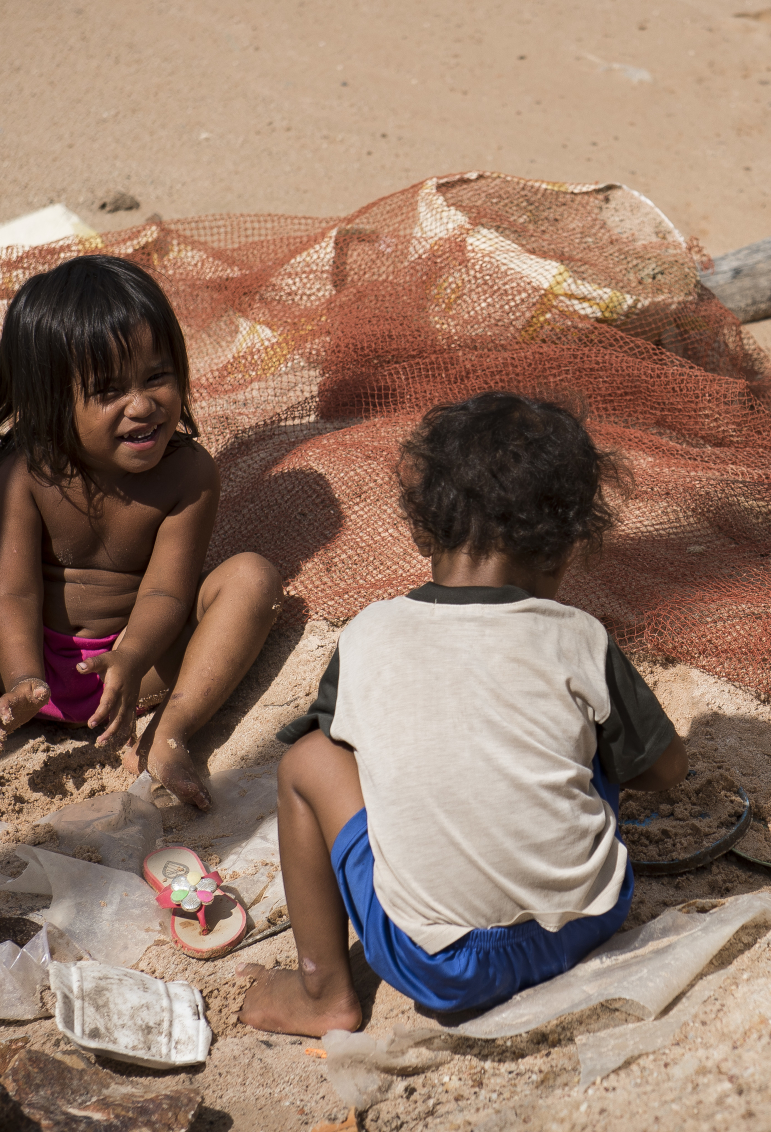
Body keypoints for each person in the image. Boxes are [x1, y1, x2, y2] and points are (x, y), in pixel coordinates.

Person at [238, 391, 686, 1036]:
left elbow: (346, 752)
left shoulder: (369, 635)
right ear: (563, 550)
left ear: (423, 528)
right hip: (587, 920)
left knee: (306, 762)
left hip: (439, 968)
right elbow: (666, 770)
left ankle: (322, 992)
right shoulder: (577, 635)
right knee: (586, 735)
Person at [0, 254, 281, 811]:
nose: (142, 405)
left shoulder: (188, 474)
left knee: (252, 579)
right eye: (109, 390)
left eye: (157, 377)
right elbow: (13, 589)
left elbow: (167, 592)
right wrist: (21, 679)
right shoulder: (25, 470)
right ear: (50, 402)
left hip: (135, 671)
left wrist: (131, 657)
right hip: (23, 665)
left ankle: (170, 732)